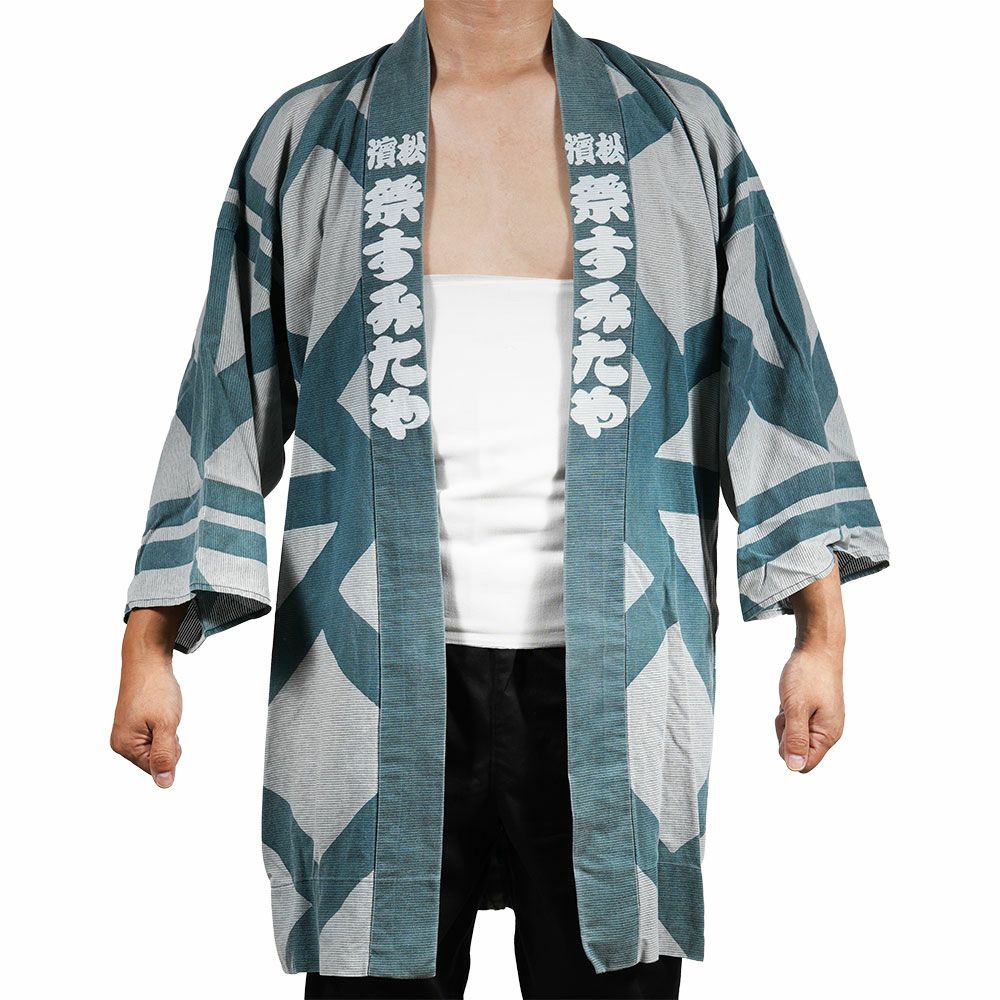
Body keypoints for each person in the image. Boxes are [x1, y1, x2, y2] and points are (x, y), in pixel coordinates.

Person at [112, 3, 889, 998]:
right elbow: (224, 399)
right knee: (371, 976)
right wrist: (147, 650)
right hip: (366, 677)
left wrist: (821, 636)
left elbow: (771, 386)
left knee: (611, 973)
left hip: (621, 676)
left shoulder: (679, 133)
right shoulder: (308, 138)